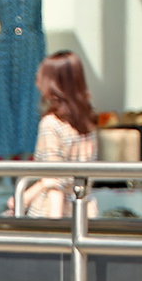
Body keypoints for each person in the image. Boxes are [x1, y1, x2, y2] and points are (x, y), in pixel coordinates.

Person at [12, 51, 98, 219]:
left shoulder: (51, 124)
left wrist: (54, 225)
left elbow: (54, 182)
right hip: (84, 209)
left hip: (52, 213)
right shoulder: (88, 119)